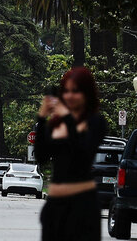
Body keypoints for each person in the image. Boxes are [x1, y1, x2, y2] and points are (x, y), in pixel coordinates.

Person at [34, 67, 108, 241]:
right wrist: (41, 119)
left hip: (82, 206)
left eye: (75, 91)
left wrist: (67, 118)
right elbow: (41, 157)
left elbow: (82, 155)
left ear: (87, 93)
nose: (69, 96)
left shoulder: (96, 122)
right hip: (54, 206)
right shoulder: (56, 123)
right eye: (66, 91)